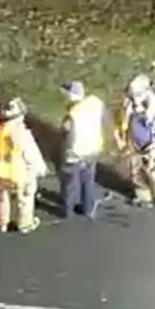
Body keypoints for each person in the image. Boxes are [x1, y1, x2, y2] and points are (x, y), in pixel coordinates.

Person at [114, 74, 155, 207]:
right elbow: (121, 123)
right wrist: (122, 140)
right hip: (135, 146)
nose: (134, 99)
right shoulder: (127, 106)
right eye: (131, 96)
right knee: (137, 173)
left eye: (136, 96)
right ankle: (143, 196)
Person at [0, 98, 49, 233]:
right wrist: (41, 169)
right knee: (25, 198)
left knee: (1, 198)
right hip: (18, 173)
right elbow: (30, 155)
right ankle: (24, 224)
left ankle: (1, 224)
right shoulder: (20, 133)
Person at [59, 81, 108, 219]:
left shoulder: (72, 115)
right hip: (92, 148)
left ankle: (67, 210)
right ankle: (88, 208)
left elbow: (66, 132)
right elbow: (105, 118)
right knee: (88, 180)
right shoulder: (95, 103)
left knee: (70, 183)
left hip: (75, 153)